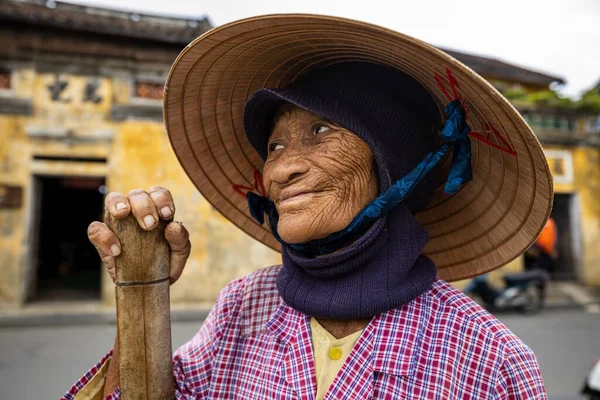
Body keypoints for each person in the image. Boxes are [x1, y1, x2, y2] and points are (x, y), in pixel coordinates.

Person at [63, 15, 553, 399]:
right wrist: (141, 291)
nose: (278, 173)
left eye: (321, 133)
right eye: (274, 148)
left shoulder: (489, 360)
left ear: (398, 168)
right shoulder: (245, 306)